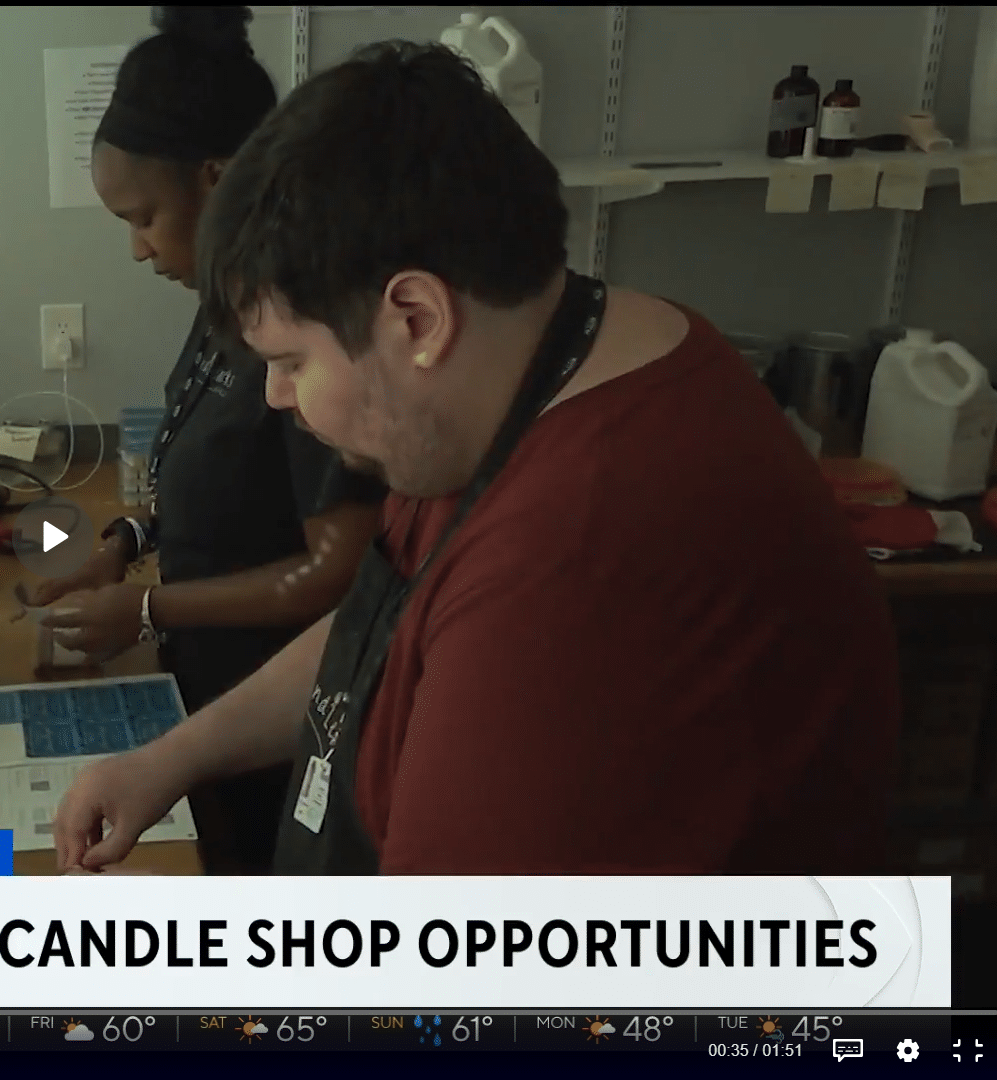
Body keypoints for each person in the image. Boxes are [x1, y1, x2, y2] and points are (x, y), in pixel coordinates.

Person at [54, 40, 899, 876]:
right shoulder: (536, 367)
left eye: (290, 361)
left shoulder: (569, 567)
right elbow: (373, 633)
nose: (277, 396)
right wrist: (171, 760)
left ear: (416, 320)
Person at [32, 7, 385, 876]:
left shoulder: (300, 332)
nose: (136, 248)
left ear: (216, 180)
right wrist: (124, 545)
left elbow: (336, 573)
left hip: (272, 721)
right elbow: (221, 489)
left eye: (144, 216)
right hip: (202, 698)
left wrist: (148, 610)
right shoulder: (222, 307)